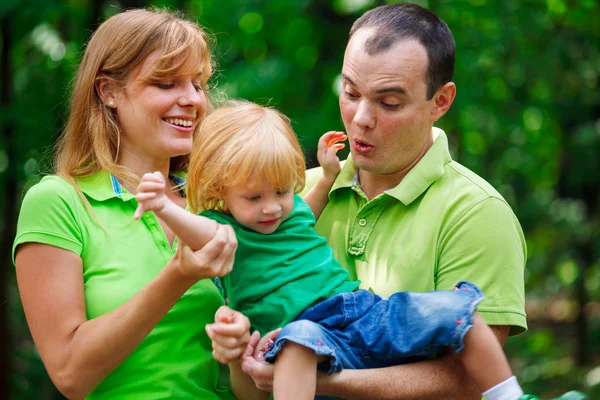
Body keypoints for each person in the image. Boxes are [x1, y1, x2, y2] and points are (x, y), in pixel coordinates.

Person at [134, 100, 530, 400]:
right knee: (299, 342)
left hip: (359, 310)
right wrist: (164, 205)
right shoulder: (224, 230)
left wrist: (327, 173)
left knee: (458, 305)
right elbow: (198, 229)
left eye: (281, 191)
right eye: (254, 196)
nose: (271, 207)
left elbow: (312, 201)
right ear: (221, 192)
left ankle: (508, 395)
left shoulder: (291, 212)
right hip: (299, 331)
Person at [239, 3, 528, 399]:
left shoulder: (477, 213)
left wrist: (318, 378)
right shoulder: (284, 201)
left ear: (440, 102)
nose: (361, 118)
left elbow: (468, 378)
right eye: (350, 92)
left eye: (388, 103)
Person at [12, 9, 251, 400]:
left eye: (198, 83)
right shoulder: (60, 202)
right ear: (108, 92)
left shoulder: (216, 202)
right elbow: (70, 375)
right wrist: (177, 276)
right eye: (166, 83)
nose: (191, 99)